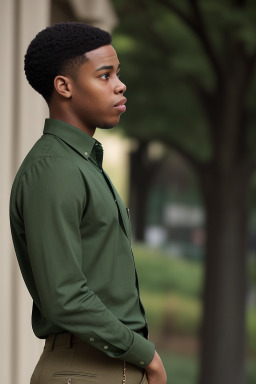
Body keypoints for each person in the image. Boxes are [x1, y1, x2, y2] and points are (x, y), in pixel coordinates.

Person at [9, 22, 167, 384]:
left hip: (108, 367)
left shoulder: (82, 164)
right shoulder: (55, 169)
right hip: (83, 370)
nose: (120, 84)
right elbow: (64, 295)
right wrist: (149, 356)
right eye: (104, 75)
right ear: (64, 86)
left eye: (118, 74)